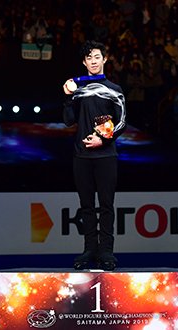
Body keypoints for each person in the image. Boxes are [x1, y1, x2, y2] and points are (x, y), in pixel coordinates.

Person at [62, 40, 126, 271]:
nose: (93, 61)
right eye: (89, 58)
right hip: (81, 156)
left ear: (104, 59)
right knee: (86, 206)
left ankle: (107, 251)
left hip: (107, 155)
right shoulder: (77, 89)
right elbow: (68, 120)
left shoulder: (115, 89)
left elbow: (122, 123)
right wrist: (68, 97)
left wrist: (104, 139)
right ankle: (90, 249)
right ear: (84, 62)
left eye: (97, 57)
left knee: (107, 205)